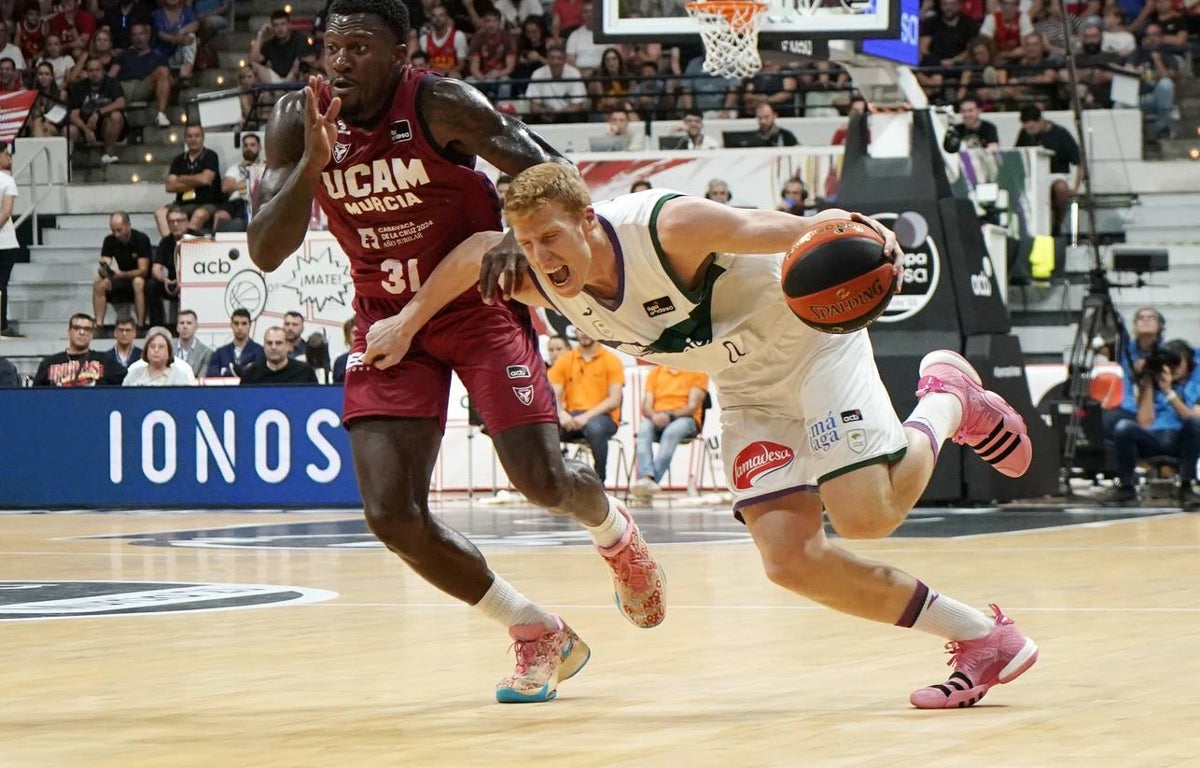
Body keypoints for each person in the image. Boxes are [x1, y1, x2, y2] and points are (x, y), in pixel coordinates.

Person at [373, 163, 1040, 710]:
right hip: (744, 387)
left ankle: (949, 401)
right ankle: (984, 639)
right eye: (526, 241)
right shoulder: (534, 272)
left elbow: (773, 227)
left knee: (867, 517)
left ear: (587, 219)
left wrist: (854, 232)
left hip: (808, 347)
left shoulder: (665, 227)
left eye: (550, 237)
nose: (540, 257)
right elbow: (470, 252)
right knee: (790, 561)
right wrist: (405, 322)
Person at [247, 0, 666, 703]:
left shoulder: (443, 104)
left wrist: (516, 234)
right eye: (331, 48)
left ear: (401, 54)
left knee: (541, 482)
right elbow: (265, 250)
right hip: (387, 319)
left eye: (359, 49)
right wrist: (312, 168)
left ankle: (614, 532)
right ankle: (536, 631)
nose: (340, 62)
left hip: (476, 305)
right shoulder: (300, 118)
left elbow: (550, 173)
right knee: (390, 514)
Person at [1108, 338, 1200, 505]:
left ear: (1189, 364)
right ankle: (1126, 487)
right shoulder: (1153, 386)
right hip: (1153, 438)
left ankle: (1187, 487)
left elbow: (1194, 419)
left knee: (1193, 424)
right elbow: (1144, 422)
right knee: (1123, 427)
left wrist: (1169, 392)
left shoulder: (1194, 386)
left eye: (1178, 363)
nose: (1174, 368)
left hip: (1181, 440)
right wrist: (1149, 384)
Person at [547, 330, 625, 483]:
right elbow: (552, 393)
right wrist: (561, 413)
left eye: (586, 328)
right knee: (547, 430)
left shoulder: (612, 360)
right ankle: (553, 482)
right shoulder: (565, 360)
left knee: (595, 429)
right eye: (579, 328)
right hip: (571, 416)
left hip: (604, 417)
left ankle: (599, 482)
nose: (584, 333)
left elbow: (614, 400)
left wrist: (586, 417)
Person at [631, 365, 709, 499]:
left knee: (671, 432)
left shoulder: (697, 370)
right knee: (644, 428)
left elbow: (692, 406)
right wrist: (654, 416)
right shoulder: (655, 372)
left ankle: (648, 483)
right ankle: (646, 478)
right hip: (657, 417)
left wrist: (670, 416)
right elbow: (646, 406)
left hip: (686, 419)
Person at [1015, 104, 1082, 235]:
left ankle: (1057, 226)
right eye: (1027, 127)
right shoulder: (1024, 134)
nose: (1030, 130)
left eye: (1032, 127)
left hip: (1056, 175)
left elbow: (1080, 162)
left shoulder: (1061, 134)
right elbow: (1018, 154)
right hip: (1032, 177)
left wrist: (1075, 187)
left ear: (1040, 121)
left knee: (1060, 188)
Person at [157, 123, 223, 236]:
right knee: (160, 212)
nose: (193, 139)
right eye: (189, 136)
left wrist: (181, 178)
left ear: (203, 137)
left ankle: (186, 244)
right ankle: (169, 244)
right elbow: (170, 186)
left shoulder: (210, 156)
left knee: (199, 214)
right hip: (181, 203)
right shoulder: (179, 160)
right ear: (185, 138)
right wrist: (196, 180)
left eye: (196, 136)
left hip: (207, 202)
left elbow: (206, 180)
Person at [93, 210, 152, 332]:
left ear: (128, 225)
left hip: (136, 276)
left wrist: (123, 274)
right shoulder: (109, 240)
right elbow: (106, 261)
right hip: (118, 277)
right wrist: (104, 270)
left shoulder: (141, 239)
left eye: (119, 230)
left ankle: (140, 325)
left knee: (138, 282)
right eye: (113, 230)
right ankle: (99, 326)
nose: (116, 234)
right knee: (99, 283)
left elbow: (143, 270)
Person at [33, 313, 125, 386]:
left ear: (92, 334)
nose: (82, 332)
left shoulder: (105, 361)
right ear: (69, 332)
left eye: (87, 329)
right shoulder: (49, 363)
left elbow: (128, 383)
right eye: (77, 328)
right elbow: (35, 395)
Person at [66, 55, 126, 165]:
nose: (94, 73)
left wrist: (97, 113)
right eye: (91, 70)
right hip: (84, 127)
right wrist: (86, 130)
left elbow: (121, 102)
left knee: (116, 116)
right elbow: (73, 115)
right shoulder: (78, 87)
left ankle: (108, 153)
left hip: (106, 126)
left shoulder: (112, 83)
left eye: (97, 70)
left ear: (103, 70)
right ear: (86, 72)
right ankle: (66, 163)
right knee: (69, 130)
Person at [240, 326, 319, 384]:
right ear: (264, 346)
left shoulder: (305, 371)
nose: (273, 347)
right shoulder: (250, 373)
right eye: (269, 343)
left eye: (278, 343)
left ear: (287, 346)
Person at [122, 326, 198, 386]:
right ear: (146, 350)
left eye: (161, 346)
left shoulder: (181, 375)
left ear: (169, 351)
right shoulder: (133, 372)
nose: (156, 350)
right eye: (152, 346)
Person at [0, 141, 21, 338]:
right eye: (6, 154)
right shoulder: (7, 181)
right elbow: (6, 213)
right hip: (5, 243)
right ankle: (1, 325)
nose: (9, 157)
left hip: (5, 243)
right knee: (1, 284)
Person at [207, 306, 265, 377]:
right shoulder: (220, 353)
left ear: (250, 325)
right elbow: (212, 377)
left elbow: (260, 376)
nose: (240, 327)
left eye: (244, 323)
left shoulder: (260, 352)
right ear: (231, 325)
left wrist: (225, 371)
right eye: (236, 323)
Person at [174, 308, 212, 378]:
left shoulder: (206, 353)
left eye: (189, 323)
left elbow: (201, 379)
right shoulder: (167, 346)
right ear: (177, 327)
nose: (185, 326)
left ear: (196, 326)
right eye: (181, 323)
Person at [332, 315, 355, 383]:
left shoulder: (375, 358)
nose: (359, 336)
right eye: (354, 333)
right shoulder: (340, 361)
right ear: (348, 336)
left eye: (361, 332)